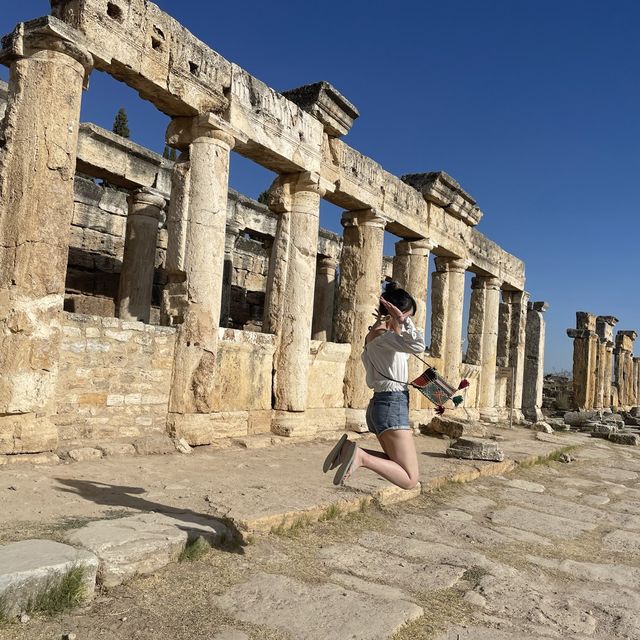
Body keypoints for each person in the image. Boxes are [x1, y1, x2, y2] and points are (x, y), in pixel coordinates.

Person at [323, 282, 425, 489]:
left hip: (383, 404)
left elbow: (407, 351)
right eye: (408, 316)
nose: (408, 322)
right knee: (409, 479)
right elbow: (418, 345)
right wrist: (402, 321)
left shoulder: (378, 336)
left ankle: (349, 450)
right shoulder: (383, 338)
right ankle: (360, 457)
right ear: (395, 314)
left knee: (397, 464)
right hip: (391, 405)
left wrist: (398, 324)